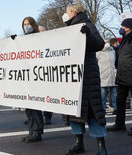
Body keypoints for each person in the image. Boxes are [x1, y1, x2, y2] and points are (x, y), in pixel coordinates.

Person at [61, 3, 107, 155]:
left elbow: (99, 44)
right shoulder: (68, 29)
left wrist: (88, 33)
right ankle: (78, 143)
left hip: (87, 75)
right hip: (73, 76)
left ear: (73, 12)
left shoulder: (87, 24)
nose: (65, 14)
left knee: (93, 110)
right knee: (74, 111)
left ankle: (102, 146)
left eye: (67, 11)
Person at [13, 16, 44, 143]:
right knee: (29, 107)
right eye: (24, 24)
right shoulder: (22, 40)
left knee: (35, 107)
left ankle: (37, 132)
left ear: (34, 25)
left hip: (36, 77)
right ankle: (32, 131)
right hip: (26, 78)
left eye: (28, 24)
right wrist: (14, 42)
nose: (26, 26)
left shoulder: (40, 38)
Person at [107, 18, 132, 135]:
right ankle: (120, 124)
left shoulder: (130, 39)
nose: (121, 28)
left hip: (130, 73)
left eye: (123, 26)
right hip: (123, 75)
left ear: (128, 27)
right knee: (120, 100)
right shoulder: (124, 40)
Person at [96, 40, 117, 114]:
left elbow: (114, 62)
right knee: (103, 94)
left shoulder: (113, 51)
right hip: (103, 74)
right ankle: (103, 108)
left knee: (113, 93)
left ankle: (115, 108)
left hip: (112, 74)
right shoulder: (98, 52)